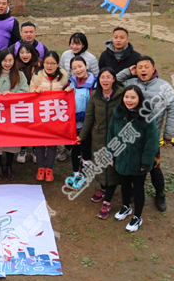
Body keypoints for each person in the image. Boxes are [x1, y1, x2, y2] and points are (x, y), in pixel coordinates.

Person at [116, 56, 174, 212]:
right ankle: (131, 192)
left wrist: (168, 134)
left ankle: (159, 194)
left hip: (152, 138)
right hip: (130, 136)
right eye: (139, 67)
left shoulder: (164, 87)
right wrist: (126, 72)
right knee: (131, 165)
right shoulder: (131, 84)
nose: (143, 70)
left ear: (153, 68)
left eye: (146, 67)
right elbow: (112, 82)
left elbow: (173, 109)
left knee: (153, 167)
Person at [107, 85, 159, 233]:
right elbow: (111, 133)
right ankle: (126, 207)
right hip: (122, 158)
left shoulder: (146, 116)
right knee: (124, 184)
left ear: (139, 99)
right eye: (126, 97)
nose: (129, 100)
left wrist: (146, 162)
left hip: (138, 160)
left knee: (138, 188)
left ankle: (137, 216)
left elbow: (152, 141)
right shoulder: (118, 113)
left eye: (133, 97)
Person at [78, 67, 125, 219]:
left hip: (116, 137)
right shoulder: (96, 95)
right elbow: (89, 117)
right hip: (98, 136)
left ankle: (107, 202)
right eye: (102, 77)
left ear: (114, 79)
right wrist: (82, 136)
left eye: (108, 77)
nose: (105, 80)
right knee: (100, 165)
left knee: (111, 169)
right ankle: (104, 189)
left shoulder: (122, 95)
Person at [0, 48, 29, 180]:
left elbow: (25, 91)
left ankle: (9, 165)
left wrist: (13, 95)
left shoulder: (19, 75)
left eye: (10, 60)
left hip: (13, 113)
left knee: (12, 141)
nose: (7, 63)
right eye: (5, 60)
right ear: (0, 61)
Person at [30, 51, 71, 182]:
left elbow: (68, 92)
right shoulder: (37, 75)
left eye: (52, 63)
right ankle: (41, 167)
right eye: (47, 63)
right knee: (40, 142)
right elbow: (29, 93)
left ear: (58, 64)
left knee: (53, 143)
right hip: (41, 115)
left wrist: (69, 90)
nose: (49, 66)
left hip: (56, 116)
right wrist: (36, 91)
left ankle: (50, 168)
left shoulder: (63, 77)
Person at [63, 56, 97, 192]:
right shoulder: (70, 83)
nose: (78, 70)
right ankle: (76, 173)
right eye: (74, 68)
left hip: (87, 125)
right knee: (74, 149)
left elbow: (94, 105)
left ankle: (84, 175)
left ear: (86, 66)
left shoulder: (94, 83)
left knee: (86, 149)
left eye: (80, 66)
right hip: (73, 125)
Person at [15, 42, 40, 164]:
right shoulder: (15, 66)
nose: (25, 55)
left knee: (35, 127)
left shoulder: (40, 65)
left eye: (28, 52)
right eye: (22, 52)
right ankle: (22, 149)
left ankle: (35, 149)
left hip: (36, 100)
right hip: (21, 101)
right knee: (22, 126)